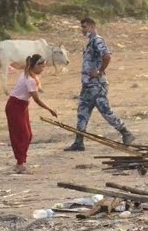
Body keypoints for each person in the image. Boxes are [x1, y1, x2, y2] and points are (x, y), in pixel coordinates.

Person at [66, 17, 134, 151]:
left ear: (92, 27)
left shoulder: (97, 41)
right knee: (82, 112)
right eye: (82, 27)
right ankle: (79, 141)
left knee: (105, 111)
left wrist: (100, 71)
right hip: (87, 85)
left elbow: (107, 56)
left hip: (96, 85)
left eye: (84, 27)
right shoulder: (91, 42)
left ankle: (126, 132)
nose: (82, 30)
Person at [7, 54, 58, 174]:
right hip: (15, 106)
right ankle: (20, 164)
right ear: (36, 66)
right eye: (42, 67)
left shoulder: (29, 74)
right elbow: (37, 100)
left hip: (22, 105)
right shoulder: (29, 80)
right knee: (21, 135)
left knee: (27, 135)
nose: (43, 69)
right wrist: (49, 109)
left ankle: (20, 162)